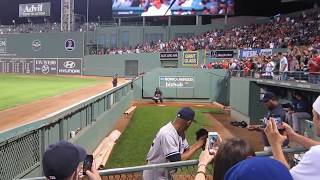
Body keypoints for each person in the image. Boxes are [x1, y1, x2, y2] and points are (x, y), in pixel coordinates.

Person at [265, 95, 320, 180]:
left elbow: (285, 176)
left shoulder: (315, 154)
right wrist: (294, 136)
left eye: (314, 116)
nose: (313, 120)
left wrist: (275, 144)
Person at [143, 107, 206, 180]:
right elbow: (176, 160)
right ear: (189, 122)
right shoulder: (167, 133)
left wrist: (200, 141)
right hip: (154, 174)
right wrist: (198, 145)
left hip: (165, 173)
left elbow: (187, 152)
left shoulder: (180, 133)